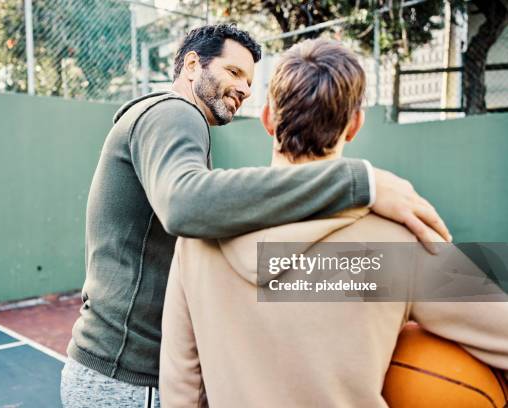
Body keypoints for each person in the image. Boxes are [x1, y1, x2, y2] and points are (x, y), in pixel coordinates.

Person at [61, 24, 450, 407]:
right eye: (234, 72)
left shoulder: (176, 149)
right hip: (127, 378)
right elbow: (184, 205)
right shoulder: (173, 112)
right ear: (192, 65)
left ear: (267, 120)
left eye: (250, 81)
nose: (245, 88)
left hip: (116, 370)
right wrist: (358, 182)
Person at [159, 38, 508, 407]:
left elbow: (181, 392)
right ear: (355, 124)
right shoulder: (401, 242)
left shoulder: (196, 242)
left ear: (267, 119)